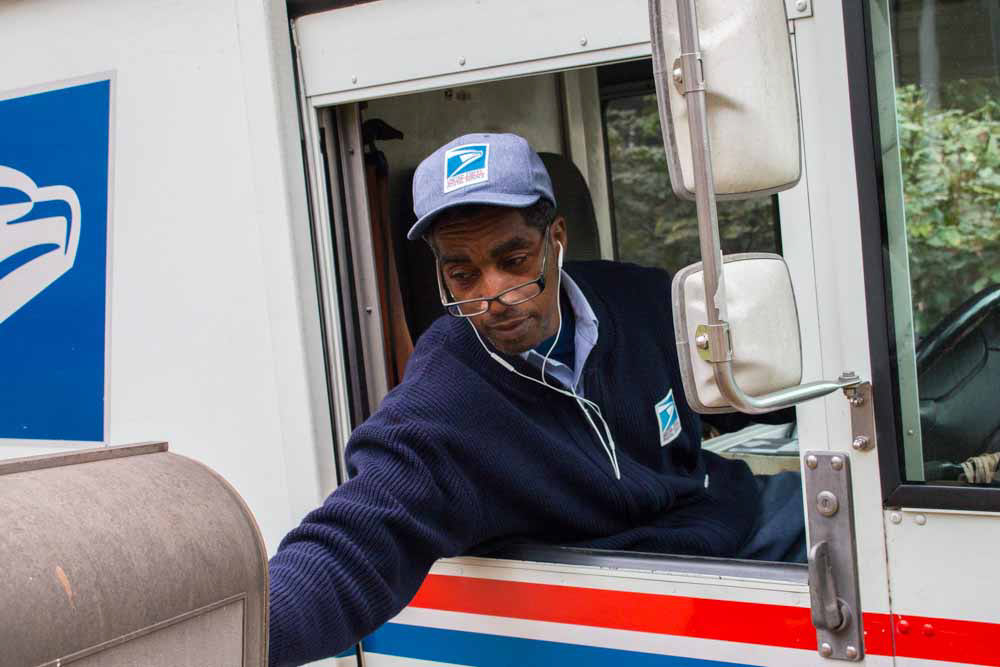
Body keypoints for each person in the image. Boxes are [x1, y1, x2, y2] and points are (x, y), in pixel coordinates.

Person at [267, 133, 806, 667]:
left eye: (515, 260)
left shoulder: (643, 300)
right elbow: (354, 542)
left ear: (557, 239)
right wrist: (242, 635)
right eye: (463, 275)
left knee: (845, 514)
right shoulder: (444, 398)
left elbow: (758, 392)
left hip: (737, 514)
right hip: (637, 598)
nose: (493, 296)